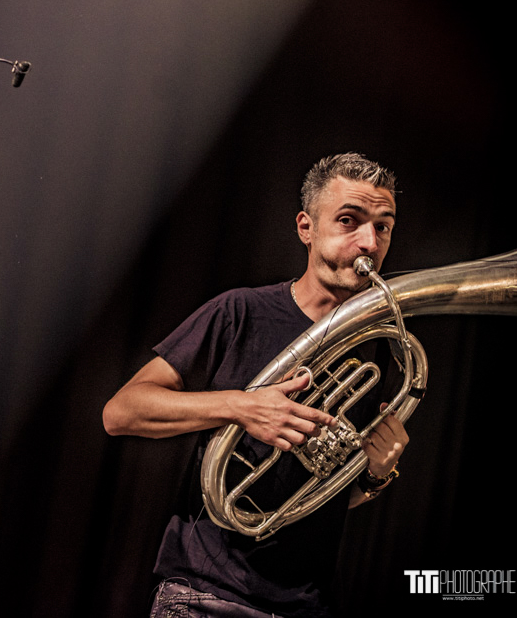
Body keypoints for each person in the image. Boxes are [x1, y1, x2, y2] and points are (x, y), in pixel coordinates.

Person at [103, 153, 410, 618]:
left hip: (306, 605)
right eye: (349, 221)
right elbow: (121, 412)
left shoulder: (384, 348)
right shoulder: (239, 312)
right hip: (206, 597)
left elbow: (318, 498)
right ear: (306, 227)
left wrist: (374, 475)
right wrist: (242, 407)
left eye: (383, 227)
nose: (369, 242)